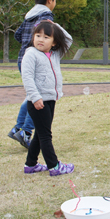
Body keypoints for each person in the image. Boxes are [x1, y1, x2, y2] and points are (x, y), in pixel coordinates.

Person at [21, 20, 74, 176]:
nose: (40, 39)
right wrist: (35, 97)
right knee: (45, 135)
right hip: (37, 102)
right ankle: (54, 166)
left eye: (46, 37)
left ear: (54, 42)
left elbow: (68, 39)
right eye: (38, 35)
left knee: (40, 133)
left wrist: (54, 24)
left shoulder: (55, 54)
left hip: (50, 100)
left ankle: (30, 165)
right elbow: (27, 78)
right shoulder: (31, 54)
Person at [8, 0, 57, 149]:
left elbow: (17, 35)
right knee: (38, 97)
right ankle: (26, 132)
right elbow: (50, 36)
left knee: (31, 94)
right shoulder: (46, 16)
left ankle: (17, 128)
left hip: (22, 58)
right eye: (55, 0)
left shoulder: (29, 16)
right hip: (36, 62)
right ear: (50, 0)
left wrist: (26, 44)